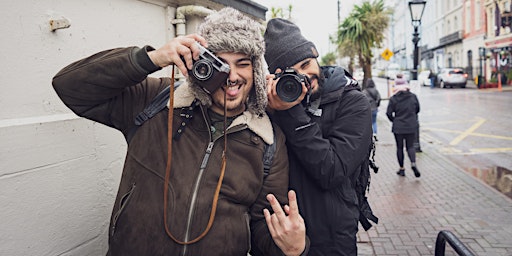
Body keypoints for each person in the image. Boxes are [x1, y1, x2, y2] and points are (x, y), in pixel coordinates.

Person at [52, 7, 308, 256]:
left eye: (242, 63)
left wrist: (292, 247)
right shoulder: (156, 101)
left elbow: (264, 225)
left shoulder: (268, 140)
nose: (232, 76)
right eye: (221, 63)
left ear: (255, 71)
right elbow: (69, 87)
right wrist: (150, 59)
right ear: (202, 64)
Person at [263, 18, 373, 256]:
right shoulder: (270, 105)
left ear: (316, 58)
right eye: (291, 74)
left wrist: (291, 111)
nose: (304, 76)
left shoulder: (352, 102)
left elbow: (332, 170)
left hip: (331, 238)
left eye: (306, 64)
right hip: (279, 232)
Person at [386, 79, 421, 178]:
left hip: (398, 127)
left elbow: (388, 113)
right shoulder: (413, 97)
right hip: (411, 126)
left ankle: (402, 169)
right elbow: (417, 109)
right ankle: (413, 163)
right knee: (410, 146)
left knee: (400, 148)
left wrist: (394, 120)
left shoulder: (393, 98)